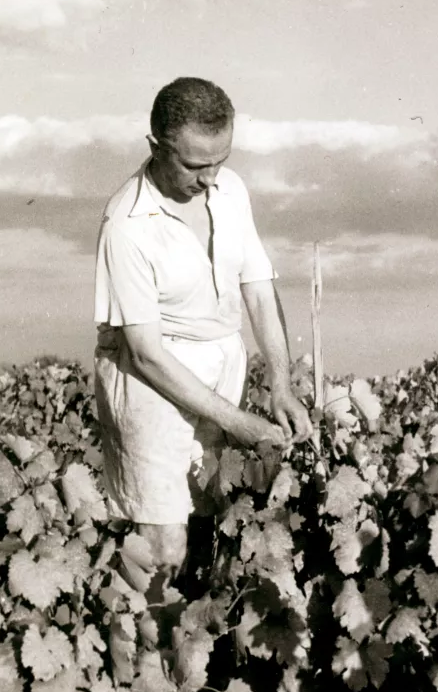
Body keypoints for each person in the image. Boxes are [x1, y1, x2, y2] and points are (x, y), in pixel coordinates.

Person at [93, 77, 312, 585]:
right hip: (152, 382)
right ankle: (151, 651)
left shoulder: (230, 188)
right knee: (163, 546)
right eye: (195, 165)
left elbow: (258, 286)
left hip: (220, 367)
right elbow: (145, 354)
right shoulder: (127, 223)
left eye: (221, 159)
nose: (211, 177)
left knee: (207, 522)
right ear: (155, 147)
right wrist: (239, 423)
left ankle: (195, 641)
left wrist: (280, 383)